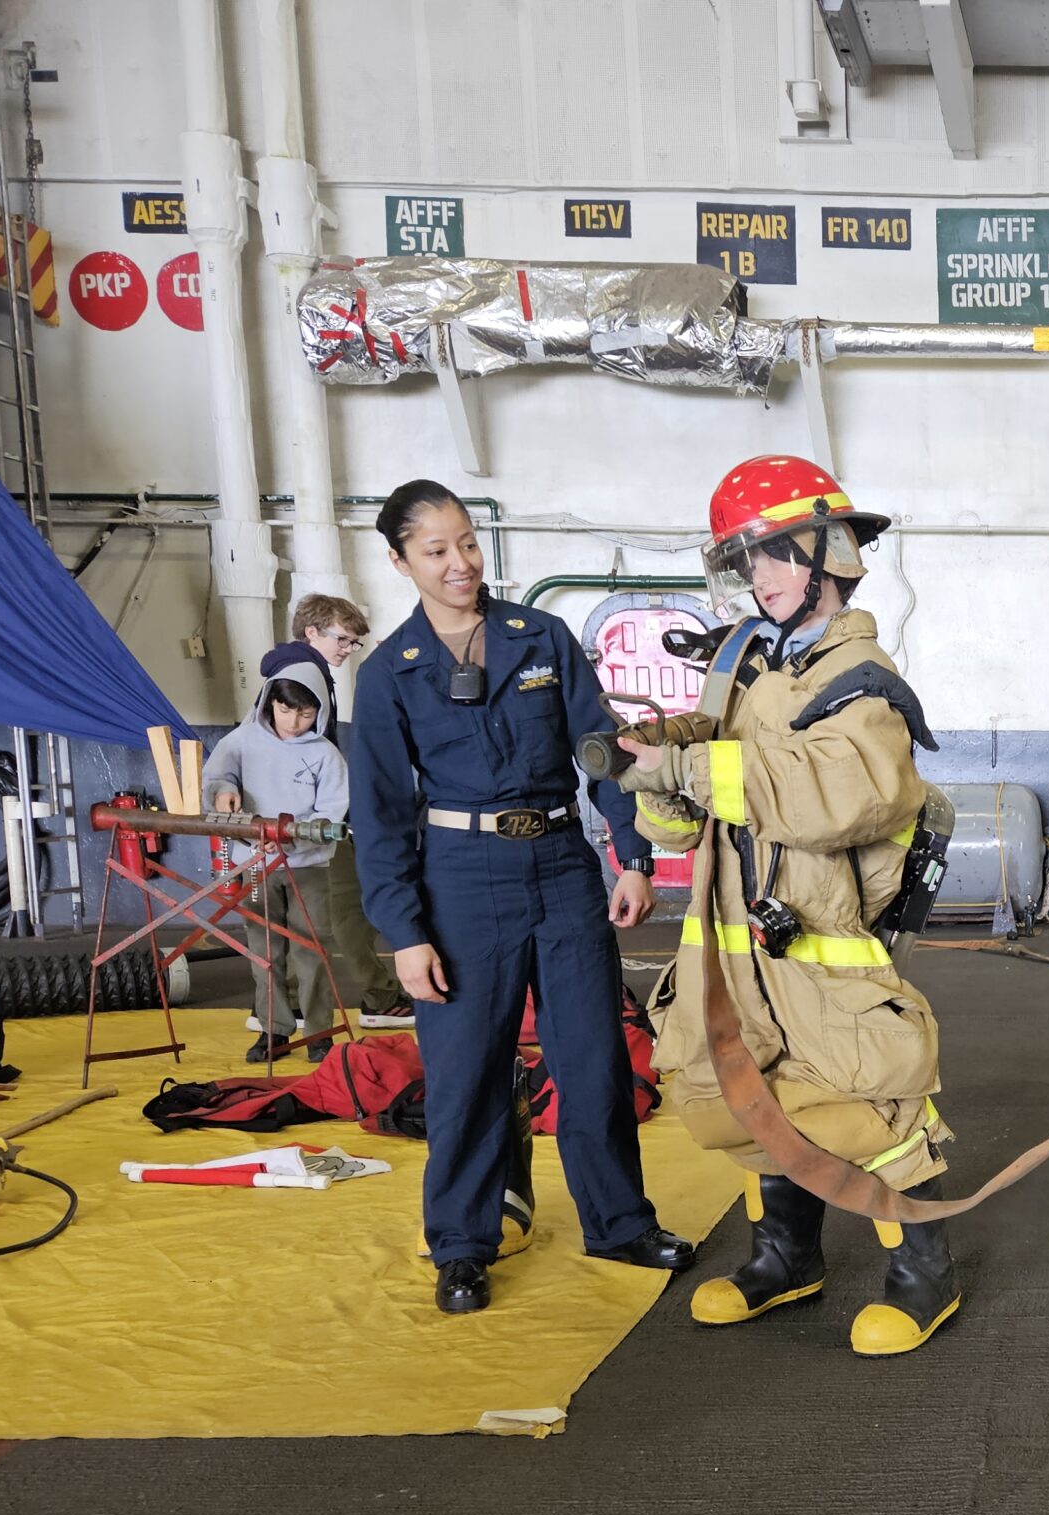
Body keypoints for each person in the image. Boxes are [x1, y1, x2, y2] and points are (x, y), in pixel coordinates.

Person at [617, 455, 959, 1358]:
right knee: (737, 1091)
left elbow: (841, 796)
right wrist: (653, 775)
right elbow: (687, 824)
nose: (758, 575)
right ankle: (786, 1256)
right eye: (745, 560)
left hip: (817, 939)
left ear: (828, 552)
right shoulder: (743, 661)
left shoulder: (861, 679)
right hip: (729, 941)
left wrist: (688, 765)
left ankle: (924, 1272)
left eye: (774, 553)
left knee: (862, 1101)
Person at [348, 480, 695, 1315]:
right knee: (466, 1073)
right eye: (436, 550)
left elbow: (603, 752)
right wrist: (404, 932)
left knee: (595, 1060)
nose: (460, 562)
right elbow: (381, 814)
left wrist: (633, 857)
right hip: (460, 883)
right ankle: (462, 1246)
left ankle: (620, 1223)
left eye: (467, 542)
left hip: (562, 869)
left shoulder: (540, 637)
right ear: (400, 562)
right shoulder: (389, 674)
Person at [258, 593, 417, 1031]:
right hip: (310, 819)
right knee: (347, 903)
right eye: (342, 639)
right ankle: (379, 998)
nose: (348, 648)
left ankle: (279, 1005)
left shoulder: (289, 670)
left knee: (295, 914)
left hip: (290, 818)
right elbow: (296, 750)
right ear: (311, 632)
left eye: (354, 642)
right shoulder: (306, 673)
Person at [199, 659, 347, 1066]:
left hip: (307, 867)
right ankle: (273, 1030)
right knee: (264, 950)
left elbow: (331, 812)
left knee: (311, 949)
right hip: (255, 864)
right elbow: (217, 778)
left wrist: (295, 839)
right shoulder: (241, 741)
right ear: (269, 702)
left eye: (306, 713)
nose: (294, 723)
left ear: (320, 711)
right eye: (285, 710)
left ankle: (319, 1033)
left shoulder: (325, 755)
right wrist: (223, 791)